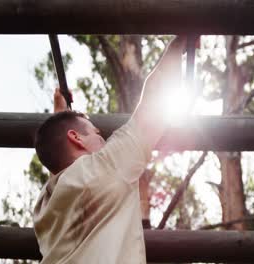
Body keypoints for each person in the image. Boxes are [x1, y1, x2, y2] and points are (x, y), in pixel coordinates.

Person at [33, 36, 190, 264]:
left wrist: (61, 115)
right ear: (76, 138)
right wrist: (177, 47)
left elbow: (59, 166)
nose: (103, 140)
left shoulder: (44, 205)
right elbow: (152, 107)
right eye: (97, 133)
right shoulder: (104, 167)